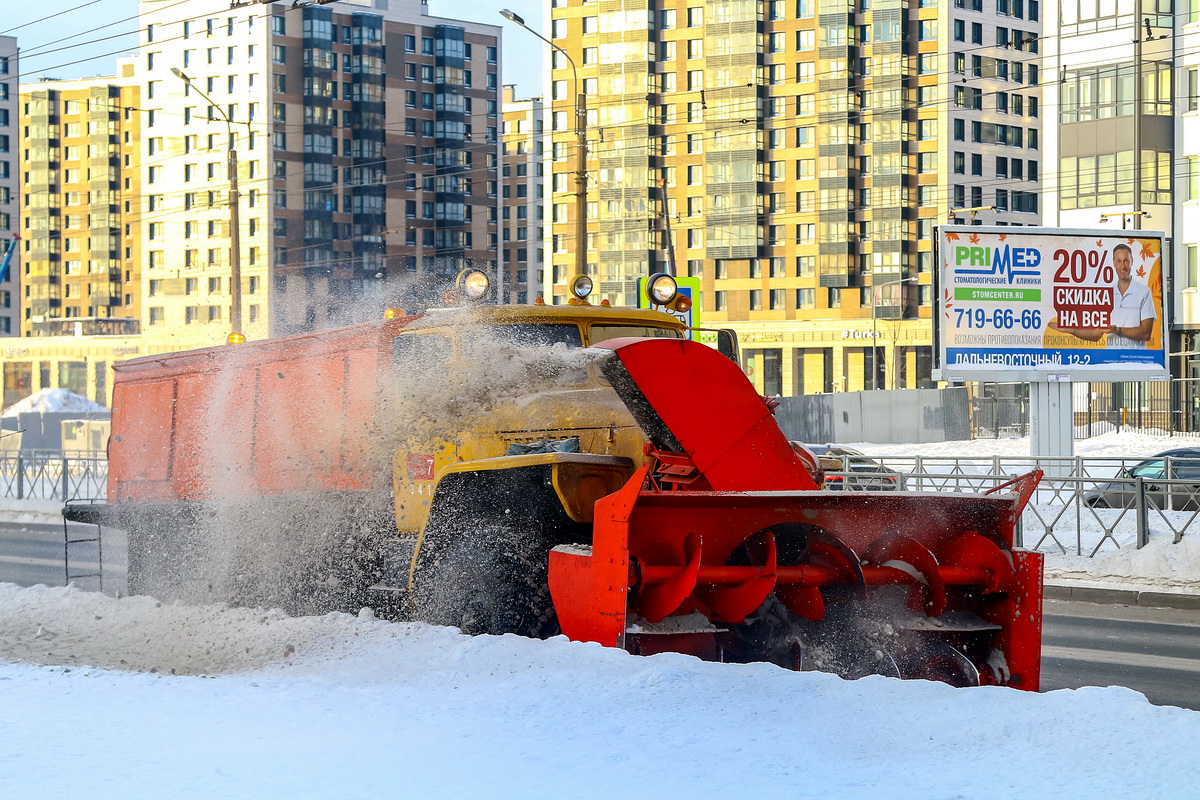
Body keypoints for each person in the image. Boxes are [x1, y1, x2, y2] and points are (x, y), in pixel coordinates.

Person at [1049, 243, 1156, 348]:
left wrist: (1118, 330)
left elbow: (1146, 334)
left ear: (1132, 261)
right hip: (1111, 361)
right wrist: (1070, 330)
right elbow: (1096, 334)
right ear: (1113, 263)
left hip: (1137, 360)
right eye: (1119, 261)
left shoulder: (1143, 292)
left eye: (1126, 261)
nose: (1123, 266)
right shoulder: (1107, 294)